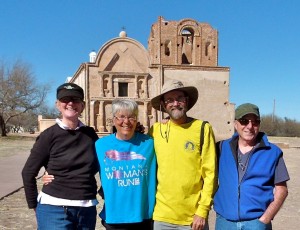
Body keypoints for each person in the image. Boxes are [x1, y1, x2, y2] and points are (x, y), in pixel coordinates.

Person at [22, 83, 99, 230]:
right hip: (54, 209)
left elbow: (98, 166)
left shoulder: (90, 135)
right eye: (65, 99)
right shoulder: (48, 135)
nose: (70, 103)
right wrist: (34, 205)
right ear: (58, 105)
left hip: (86, 209)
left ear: (82, 105)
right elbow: (28, 172)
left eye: (75, 100)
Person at [149, 79, 217, 230]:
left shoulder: (202, 129)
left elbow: (210, 174)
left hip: (193, 219)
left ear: (186, 101)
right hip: (161, 216)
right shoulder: (155, 131)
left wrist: (202, 210)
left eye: (179, 98)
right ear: (163, 105)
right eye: (169, 100)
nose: (175, 103)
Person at [214, 103, 290, 230]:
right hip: (225, 223)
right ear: (235, 124)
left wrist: (265, 218)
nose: (250, 126)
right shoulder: (220, 148)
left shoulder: (272, 152)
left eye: (255, 122)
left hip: (256, 223)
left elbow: (282, 190)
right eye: (244, 121)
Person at [95, 99, 157, 230]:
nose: (126, 121)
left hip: (143, 216)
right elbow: (83, 167)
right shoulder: (100, 145)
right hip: (114, 217)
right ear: (113, 119)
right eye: (121, 117)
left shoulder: (150, 143)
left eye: (131, 117)